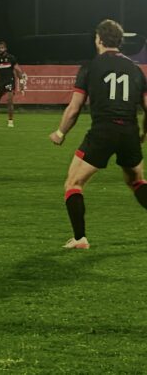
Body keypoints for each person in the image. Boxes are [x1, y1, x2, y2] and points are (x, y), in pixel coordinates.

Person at [50, 19, 147, 250]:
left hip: (102, 132)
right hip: (129, 132)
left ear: (99, 39)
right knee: (136, 181)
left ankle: (80, 239)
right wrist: (144, 132)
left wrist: (60, 132)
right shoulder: (136, 70)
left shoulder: (90, 67)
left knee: (73, 183)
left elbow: (74, 108)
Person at [0, 41, 26, 128]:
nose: (0, 49)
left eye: (2, 48)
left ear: (5, 48)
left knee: (9, 101)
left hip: (9, 81)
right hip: (0, 82)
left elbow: (18, 71)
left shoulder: (11, 58)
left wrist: (21, 83)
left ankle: (10, 121)